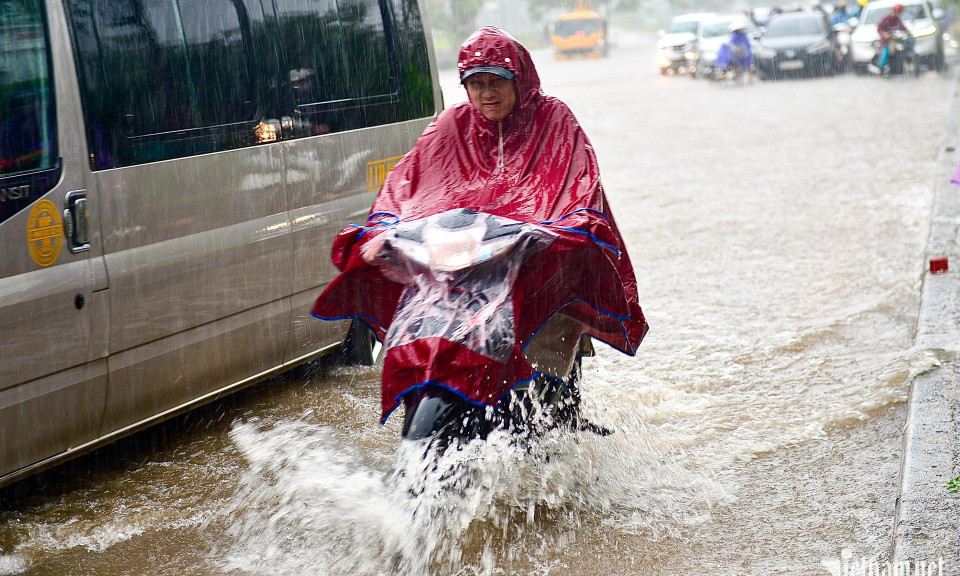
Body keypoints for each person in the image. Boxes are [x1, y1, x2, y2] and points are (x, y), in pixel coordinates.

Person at [311, 27, 648, 422]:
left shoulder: (554, 119)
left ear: (518, 80)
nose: (487, 94)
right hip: (468, 266)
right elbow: (405, 184)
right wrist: (382, 229)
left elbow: (578, 186)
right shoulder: (451, 125)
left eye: (497, 83)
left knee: (552, 348)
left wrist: (559, 228)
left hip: (537, 260)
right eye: (476, 84)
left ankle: (560, 417)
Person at [877, 4, 910, 70]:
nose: (899, 14)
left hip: (896, 40)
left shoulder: (897, 20)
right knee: (886, 51)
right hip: (887, 41)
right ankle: (881, 67)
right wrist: (885, 34)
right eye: (898, 12)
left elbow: (903, 27)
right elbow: (879, 29)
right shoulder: (886, 19)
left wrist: (909, 33)